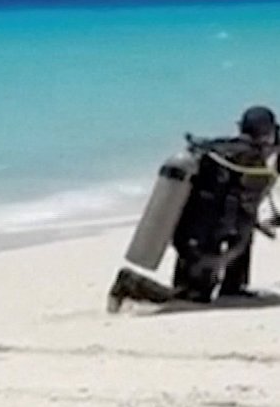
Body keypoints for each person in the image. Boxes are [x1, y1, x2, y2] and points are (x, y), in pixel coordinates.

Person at [110, 106, 277, 308]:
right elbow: (252, 198)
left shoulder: (223, 151)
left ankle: (233, 286)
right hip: (203, 241)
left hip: (191, 231)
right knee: (192, 296)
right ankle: (129, 282)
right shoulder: (249, 158)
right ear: (266, 133)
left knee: (244, 229)